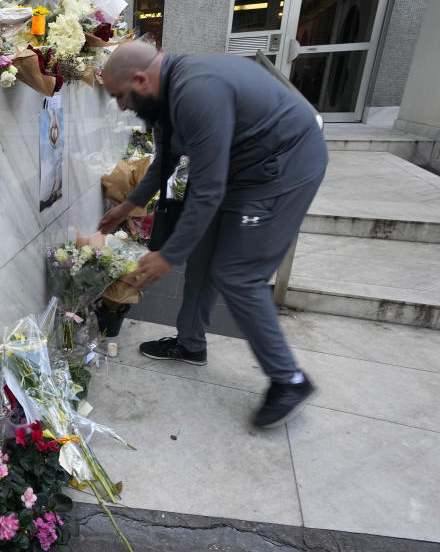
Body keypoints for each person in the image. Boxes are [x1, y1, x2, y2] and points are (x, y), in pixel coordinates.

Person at [97, 42, 328, 428]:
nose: (121, 106)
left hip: (283, 168)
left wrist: (167, 255)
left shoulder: (197, 91)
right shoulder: (166, 94)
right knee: (203, 260)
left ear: (140, 79)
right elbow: (165, 159)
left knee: (238, 273)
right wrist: (127, 205)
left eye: (120, 96)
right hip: (244, 170)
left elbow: (207, 188)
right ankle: (190, 344)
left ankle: (289, 380)